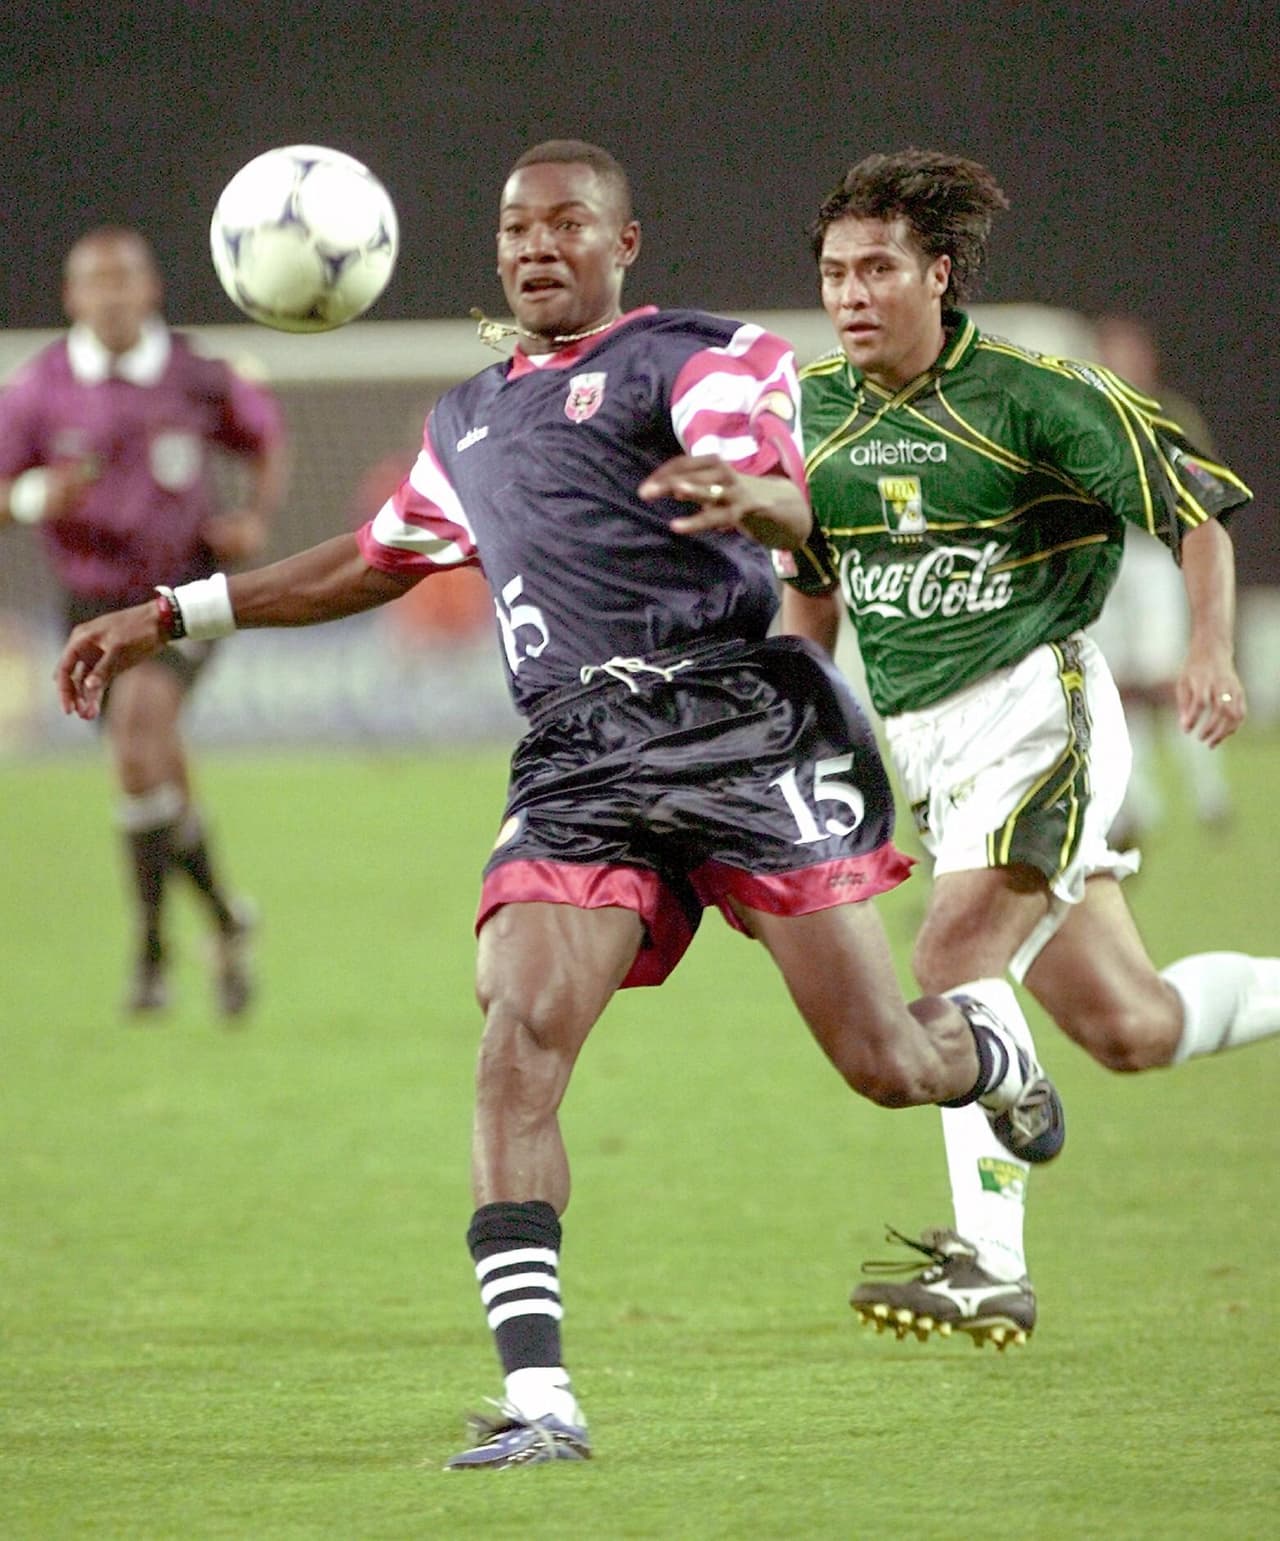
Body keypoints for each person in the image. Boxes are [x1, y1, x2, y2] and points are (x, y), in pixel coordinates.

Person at [56, 140, 1065, 1469]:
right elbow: (372, 561)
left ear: (622, 245)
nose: (537, 245)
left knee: (886, 1063)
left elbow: (765, 470)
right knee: (515, 1031)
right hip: (580, 757)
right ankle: (543, 1402)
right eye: (516, 227)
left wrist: (750, 496)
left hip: (732, 730)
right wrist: (173, 613)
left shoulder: (701, 356)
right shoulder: (469, 421)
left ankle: (985, 1054)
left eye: (567, 224)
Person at [780, 148, 1279, 1348]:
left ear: (937, 273)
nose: (849, 292)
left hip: (1038, 711)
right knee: (1131, 1026)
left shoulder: (1033, 393)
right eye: (833, 271)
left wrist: (1210, 649)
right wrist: (791, 715)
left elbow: (1195, 507)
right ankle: (1016, 1073)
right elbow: (811, 587)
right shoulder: (807, 411)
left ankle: (987, 1265)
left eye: (876, 268)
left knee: (950, 953)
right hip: (928, 754)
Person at [0, 227, 288, 1017]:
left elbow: (265, 439)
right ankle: (226, 920)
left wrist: (252, 518)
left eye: (125, 279)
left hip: (182, 596)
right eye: (95, 282)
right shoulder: (38, 391)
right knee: (154, 768)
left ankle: (152, 955)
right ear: (71, 298)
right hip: (91, 604)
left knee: (137, 733)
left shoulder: (196, 375)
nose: (112, 294)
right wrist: (32, 499)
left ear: (151, 289)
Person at [1087, 314, 1232, 844]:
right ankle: (1137, 800)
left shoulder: (1171, 415)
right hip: (1107, 558)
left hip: (1154, 559)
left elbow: (1204, 490)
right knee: (1117, 683)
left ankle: (1209, 790)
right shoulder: (1089, 414)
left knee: (1169, 677)